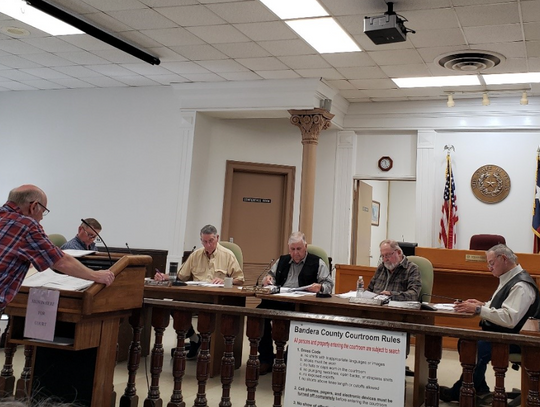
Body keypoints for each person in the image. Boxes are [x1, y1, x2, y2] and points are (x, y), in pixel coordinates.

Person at [440, 244, 540, 405]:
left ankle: (459, 392)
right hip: (503, 334)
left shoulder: (521, 286)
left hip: (517, 340)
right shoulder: (509, 277)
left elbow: (509, 318)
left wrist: (479, 309)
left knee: (475, 347)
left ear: (504, 259)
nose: (489, 268)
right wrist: (483, 304)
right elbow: (502, 306)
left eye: (491, 263)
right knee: (466, 342)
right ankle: (480, 389)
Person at [0, 185, 114, 312]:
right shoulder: (26, 224)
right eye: (43, 212)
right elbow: (60, 261)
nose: (41, 218)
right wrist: (96, 275)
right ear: (33, 206)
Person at [154, 224, 243, 358]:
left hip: (216, 299)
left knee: (207, 314)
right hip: (196, 295)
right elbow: (181, 275)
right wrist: (164, 277)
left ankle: (208, 348)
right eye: (204, 241)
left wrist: (225, 281)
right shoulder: (195, 255)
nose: (207, 245)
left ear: (217, 238)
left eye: (211, 241)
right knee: (174, 306)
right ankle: (195, 338)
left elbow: (240, 279)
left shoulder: (228, 255)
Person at [257, 231, 333, 375]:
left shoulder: (317, 262)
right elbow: (270, 275)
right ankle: (265, 359)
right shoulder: (282, 260)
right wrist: (266, 280)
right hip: (280, 299)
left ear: (305, 247)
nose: (295, 253)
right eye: (292, 249)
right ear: (288, 248)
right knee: (259, 314)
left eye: (299, 249)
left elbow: (329, 284)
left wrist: (320, 287)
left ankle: (288, 358)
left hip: (302, 304)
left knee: (301, 321)